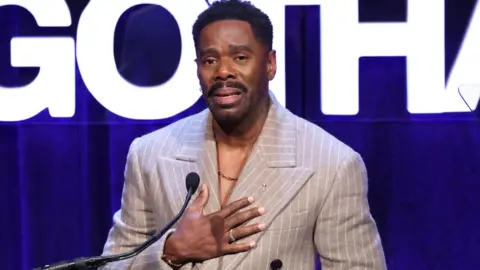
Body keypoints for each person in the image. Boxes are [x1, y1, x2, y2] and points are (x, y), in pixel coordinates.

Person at [100, 0, 387, 269]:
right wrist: (172, 250)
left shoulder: (332, 164)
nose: (223, 71)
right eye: (209, 60)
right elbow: (112, 264)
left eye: (240, 57)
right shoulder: (150, 154)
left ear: (270, 64)